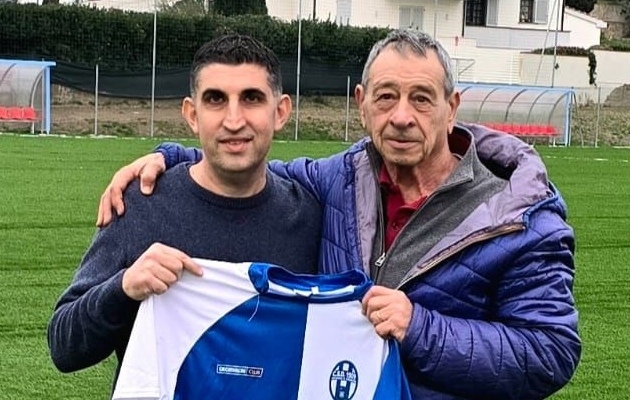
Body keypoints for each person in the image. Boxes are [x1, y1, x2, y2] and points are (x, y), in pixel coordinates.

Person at [96, 29, 581, 399]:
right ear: (362, 104)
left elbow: (551, 352)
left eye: (421, 98)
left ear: (451, 107)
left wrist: (420, 328)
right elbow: (249, 162)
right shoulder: (338, 178)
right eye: (386, 97)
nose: (402, 117)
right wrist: (170, 158)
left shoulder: (519, 215)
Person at [47, 34, 323, 393]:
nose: (234, 119)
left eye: (251, 98)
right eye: (216, 99)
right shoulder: (140, 203)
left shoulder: (309, 216)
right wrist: (124, 287)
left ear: (281, 111)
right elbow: (64, 347)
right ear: (192, 115)